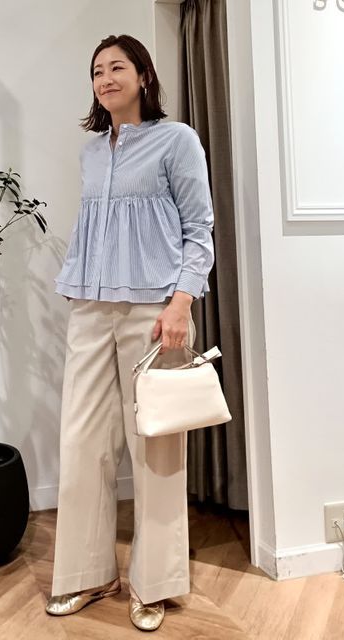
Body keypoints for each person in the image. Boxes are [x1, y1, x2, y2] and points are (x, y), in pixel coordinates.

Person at [45, 34, 214, 632]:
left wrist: (181, 302)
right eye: (97, 71)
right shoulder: (92, 153)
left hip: (154, 312)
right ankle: (88, 574)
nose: (106, 78)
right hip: (91, 308)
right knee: (82, 443)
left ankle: (155, 584)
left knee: (155, 447)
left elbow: (199, 228)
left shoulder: (177, 140)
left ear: (143, 75)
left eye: (117, 67)